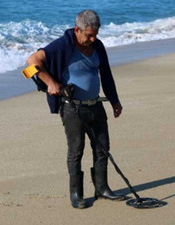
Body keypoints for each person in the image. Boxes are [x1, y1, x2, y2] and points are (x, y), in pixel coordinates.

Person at [26, 10, 124, 209]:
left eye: (95, 33)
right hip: (72, 109)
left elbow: (106, 74)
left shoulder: (97, 45)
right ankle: (76, 194)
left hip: (95, 105)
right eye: (88, 34)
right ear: (77, 30)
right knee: (76, 151)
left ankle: (102, 189)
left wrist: (114, 101)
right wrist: (51, 82)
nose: (93, 38)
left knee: (102, 148)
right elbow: (30, 64)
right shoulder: (63, 45)